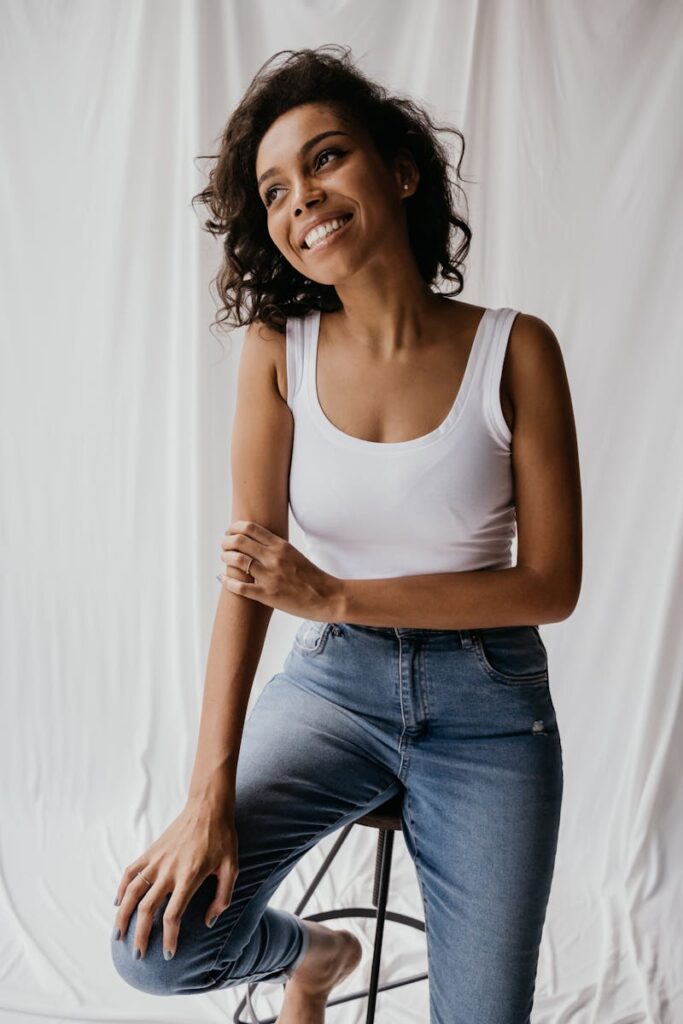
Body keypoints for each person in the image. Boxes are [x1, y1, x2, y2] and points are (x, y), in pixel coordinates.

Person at [111, 44, 582, 1024]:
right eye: (274, 190)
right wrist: (206, 795)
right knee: (157, 945)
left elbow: (549, 584)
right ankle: (315, 953)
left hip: (490, 711)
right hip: (335, 689)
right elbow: (248, 573)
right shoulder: (278, 352)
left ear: (399, 169)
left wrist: (332, 593)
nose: (300, 200)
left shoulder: (514, 348)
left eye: (324, 159)